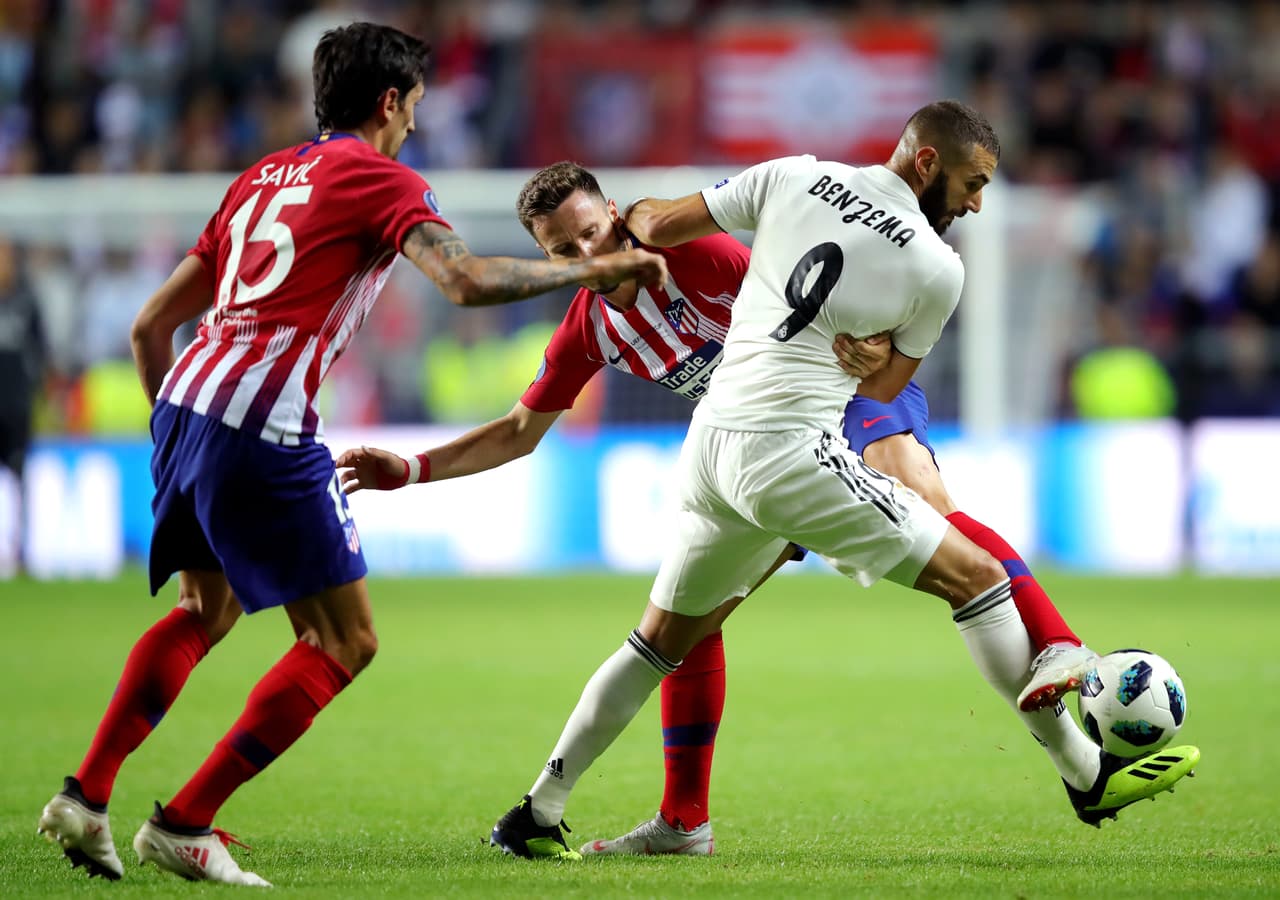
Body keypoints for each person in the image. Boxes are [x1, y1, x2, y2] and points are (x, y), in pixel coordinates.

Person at [336, 158, 1129, 859]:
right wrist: (409, 466)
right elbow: (517, 432)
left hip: (843, 393)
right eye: (562, 251)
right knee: (688, 626)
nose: (586, 255)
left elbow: (819, 280)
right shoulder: (591, 327)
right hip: (755, 452)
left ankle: (1062, 653)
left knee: (928, 506)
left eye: (590, 231)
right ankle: (676, 821)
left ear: (614, 213)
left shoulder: (702, 254)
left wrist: (880, 348)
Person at [35, 22, 666, 887]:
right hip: (262, 419)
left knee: (202, 612)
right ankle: (185, 823)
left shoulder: (258, 177)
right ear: (389, 101)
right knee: (346, 641)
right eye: (412, 108)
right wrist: (587, 272)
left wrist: (178, 432)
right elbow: (468, 282)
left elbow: (152, 326)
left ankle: (85, 795)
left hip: (184, 404)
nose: (413, 124)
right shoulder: (382, 176)